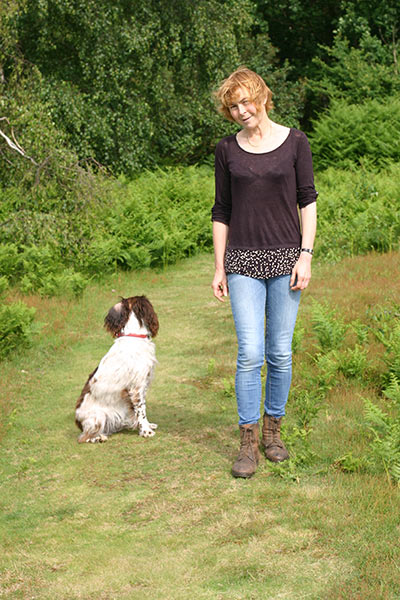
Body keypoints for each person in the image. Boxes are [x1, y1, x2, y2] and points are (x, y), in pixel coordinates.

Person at [211, 67, 317, 478]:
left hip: (286, 259)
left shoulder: (295, 143)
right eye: (233, 106)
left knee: (280, 352)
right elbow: (222, 210)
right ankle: (248, 442)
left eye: (246, 101)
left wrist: (305, 254)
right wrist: (219, 265)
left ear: (263, 97)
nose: (241, 111)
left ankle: (274, 431)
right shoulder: (227, 149)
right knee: (250, 353)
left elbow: (307, 200)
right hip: (242, 261)